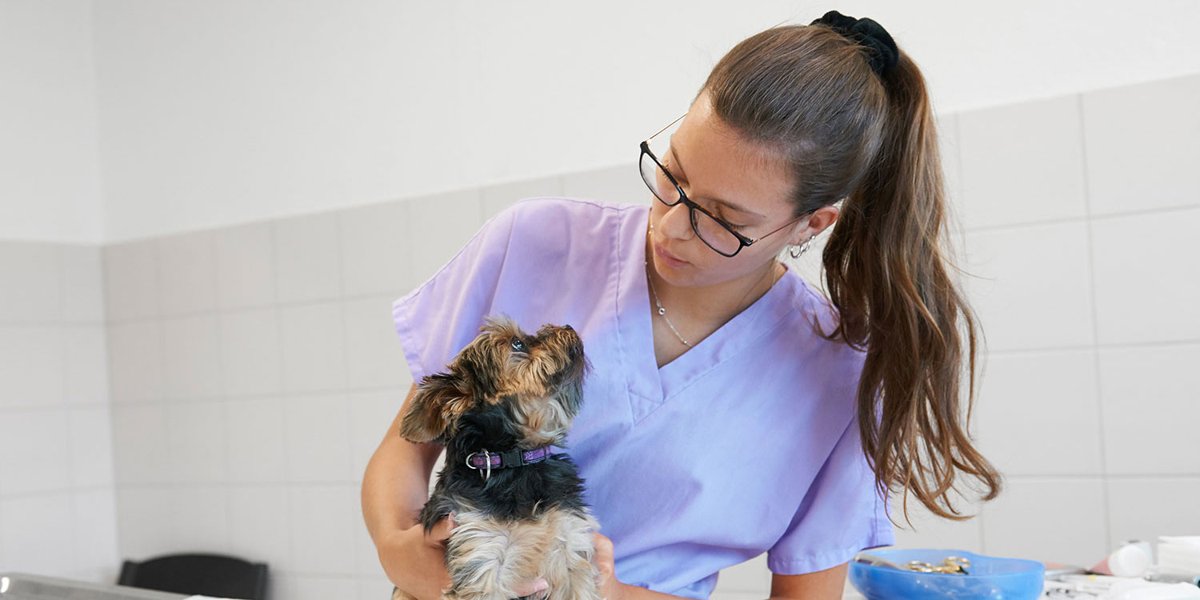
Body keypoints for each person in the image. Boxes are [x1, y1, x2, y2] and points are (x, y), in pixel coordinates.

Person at [361, 10, 1002, 600]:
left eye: (723, 220)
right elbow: (407, 446)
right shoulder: (535, 242)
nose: (669, 227)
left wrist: (604, 593)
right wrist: (401, 555)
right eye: (673, 175)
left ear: (812, 224)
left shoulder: (838, 375)